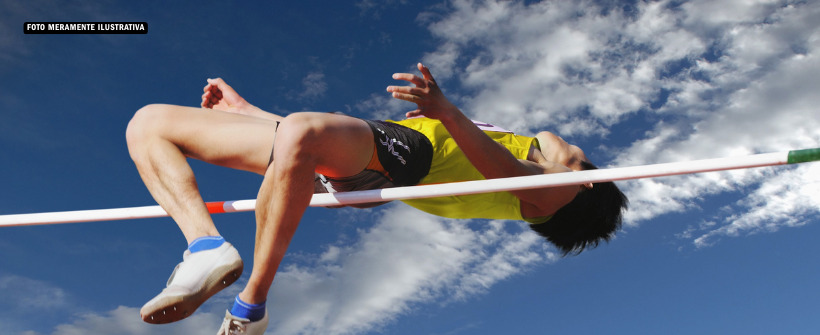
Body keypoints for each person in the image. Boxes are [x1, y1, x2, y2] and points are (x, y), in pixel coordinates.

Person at [125, 64, 628, 334]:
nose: (575, 145)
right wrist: (248, 112)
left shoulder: (559, 189)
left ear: (586, 181)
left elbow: (505, 171)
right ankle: (204, 246)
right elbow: (309, 140)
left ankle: (250, 303)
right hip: (366, 158)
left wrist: (448, 112)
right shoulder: (522, 148)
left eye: (582, 156)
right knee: (150, 124)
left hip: (411, 160)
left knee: (305, 131)